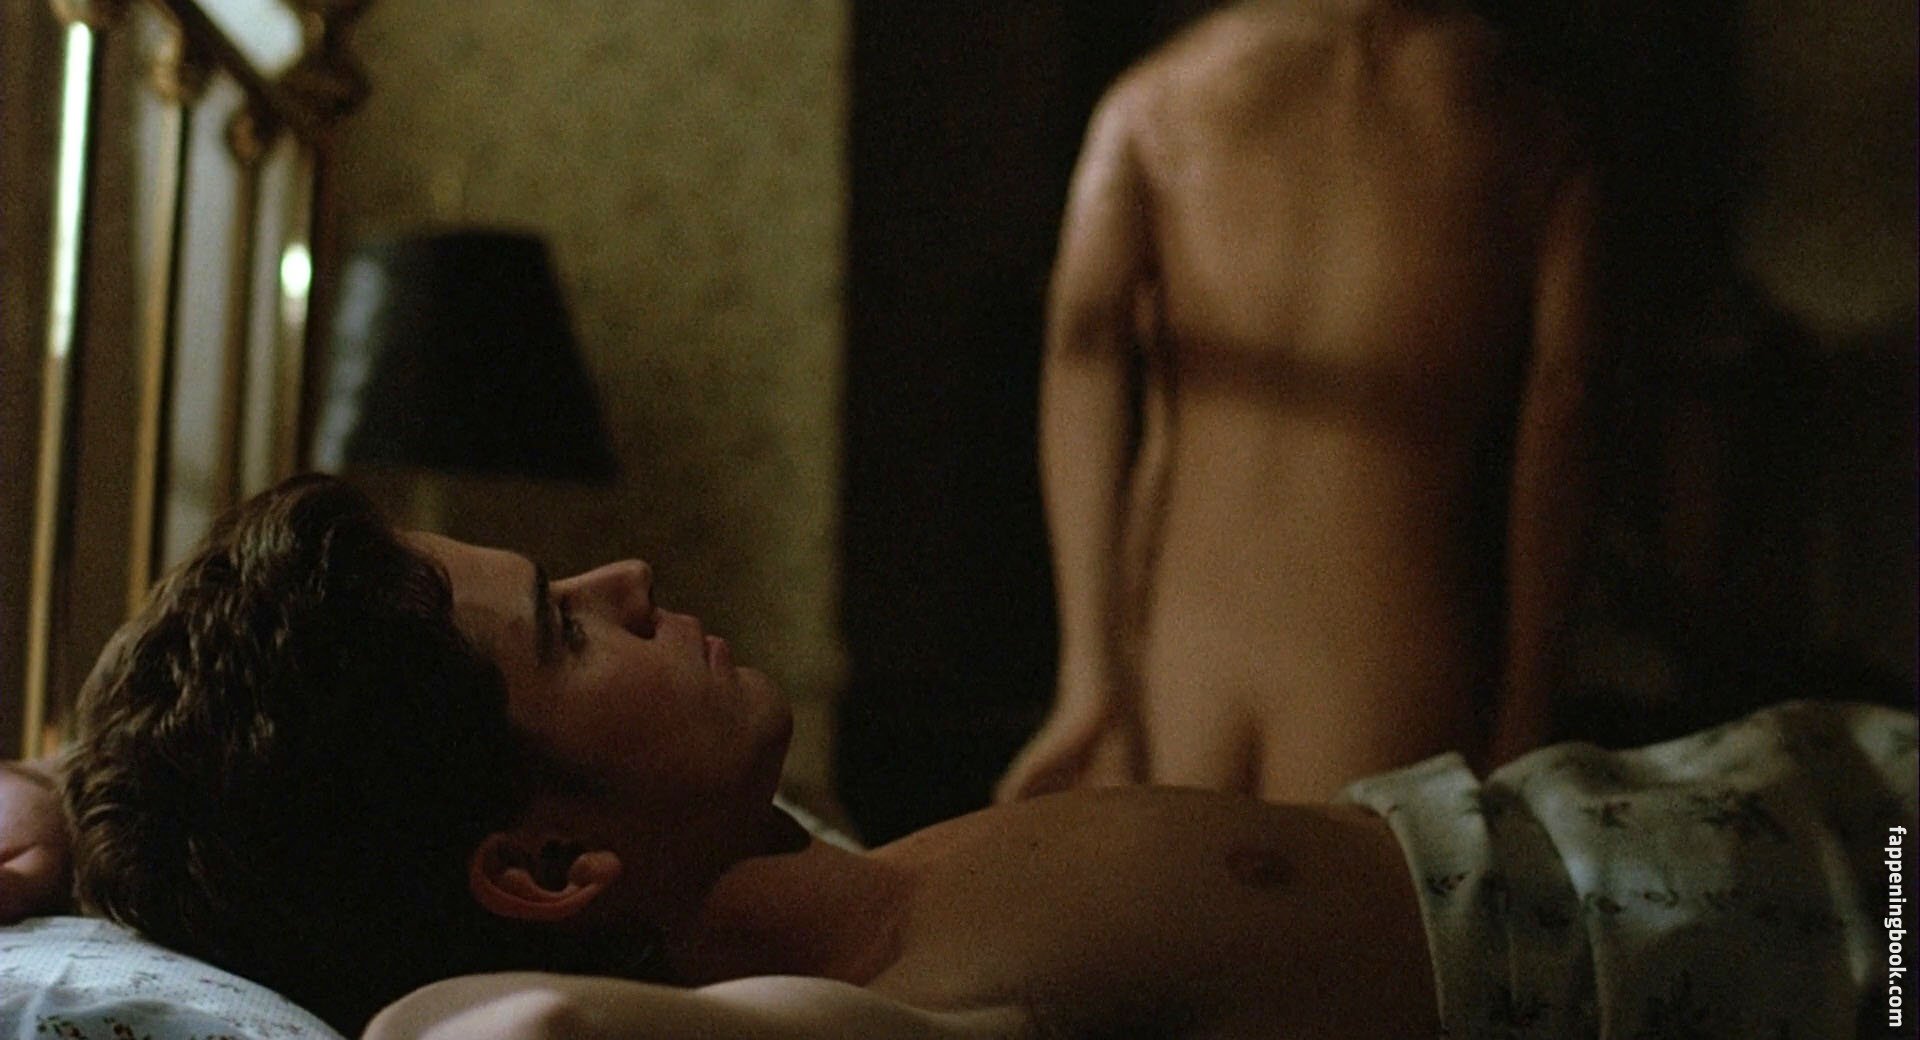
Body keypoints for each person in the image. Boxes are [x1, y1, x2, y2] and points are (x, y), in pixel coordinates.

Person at [5, 475, 1907, 1038]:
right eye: (568, 631)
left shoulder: (774, 868)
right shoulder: (844, 1006)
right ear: (546, 869)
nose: (629, 576)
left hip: (1756, 810)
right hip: (1786, 965)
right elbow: (519, 1037)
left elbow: (243, 834)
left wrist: (71, 813)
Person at [999, 0, 1600, 804]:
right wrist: (1528, 708)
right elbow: (1566, 400)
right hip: (1388, 654)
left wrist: (1087, 674)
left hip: (1181, 659)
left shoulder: (1157, 101)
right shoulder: (1525, 117)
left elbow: (1082, 343)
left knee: (1183, 884)